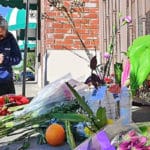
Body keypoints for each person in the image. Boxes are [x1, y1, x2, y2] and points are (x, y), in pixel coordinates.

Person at [0, 16, 21, 96]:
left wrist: (5, 59)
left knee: (9, 106)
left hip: (7, 80)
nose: (1, 38)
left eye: (2, 35)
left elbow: (18, 58)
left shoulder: (10, 37)